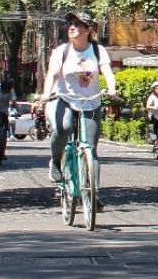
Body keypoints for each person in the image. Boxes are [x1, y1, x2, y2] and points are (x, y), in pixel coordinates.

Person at [41, 11, 118, 184]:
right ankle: (55, 160)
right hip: (65, 99)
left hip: (91, 102)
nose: (72, 27)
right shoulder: (61, 51)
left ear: (88, 29)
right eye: (71, 24)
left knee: (90, 148)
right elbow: (52, 74)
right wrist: (46, 93)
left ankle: (93, 195)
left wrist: (112, 88)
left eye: (78, 24)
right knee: (64, 128)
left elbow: (107, 72)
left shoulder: (97, 50)